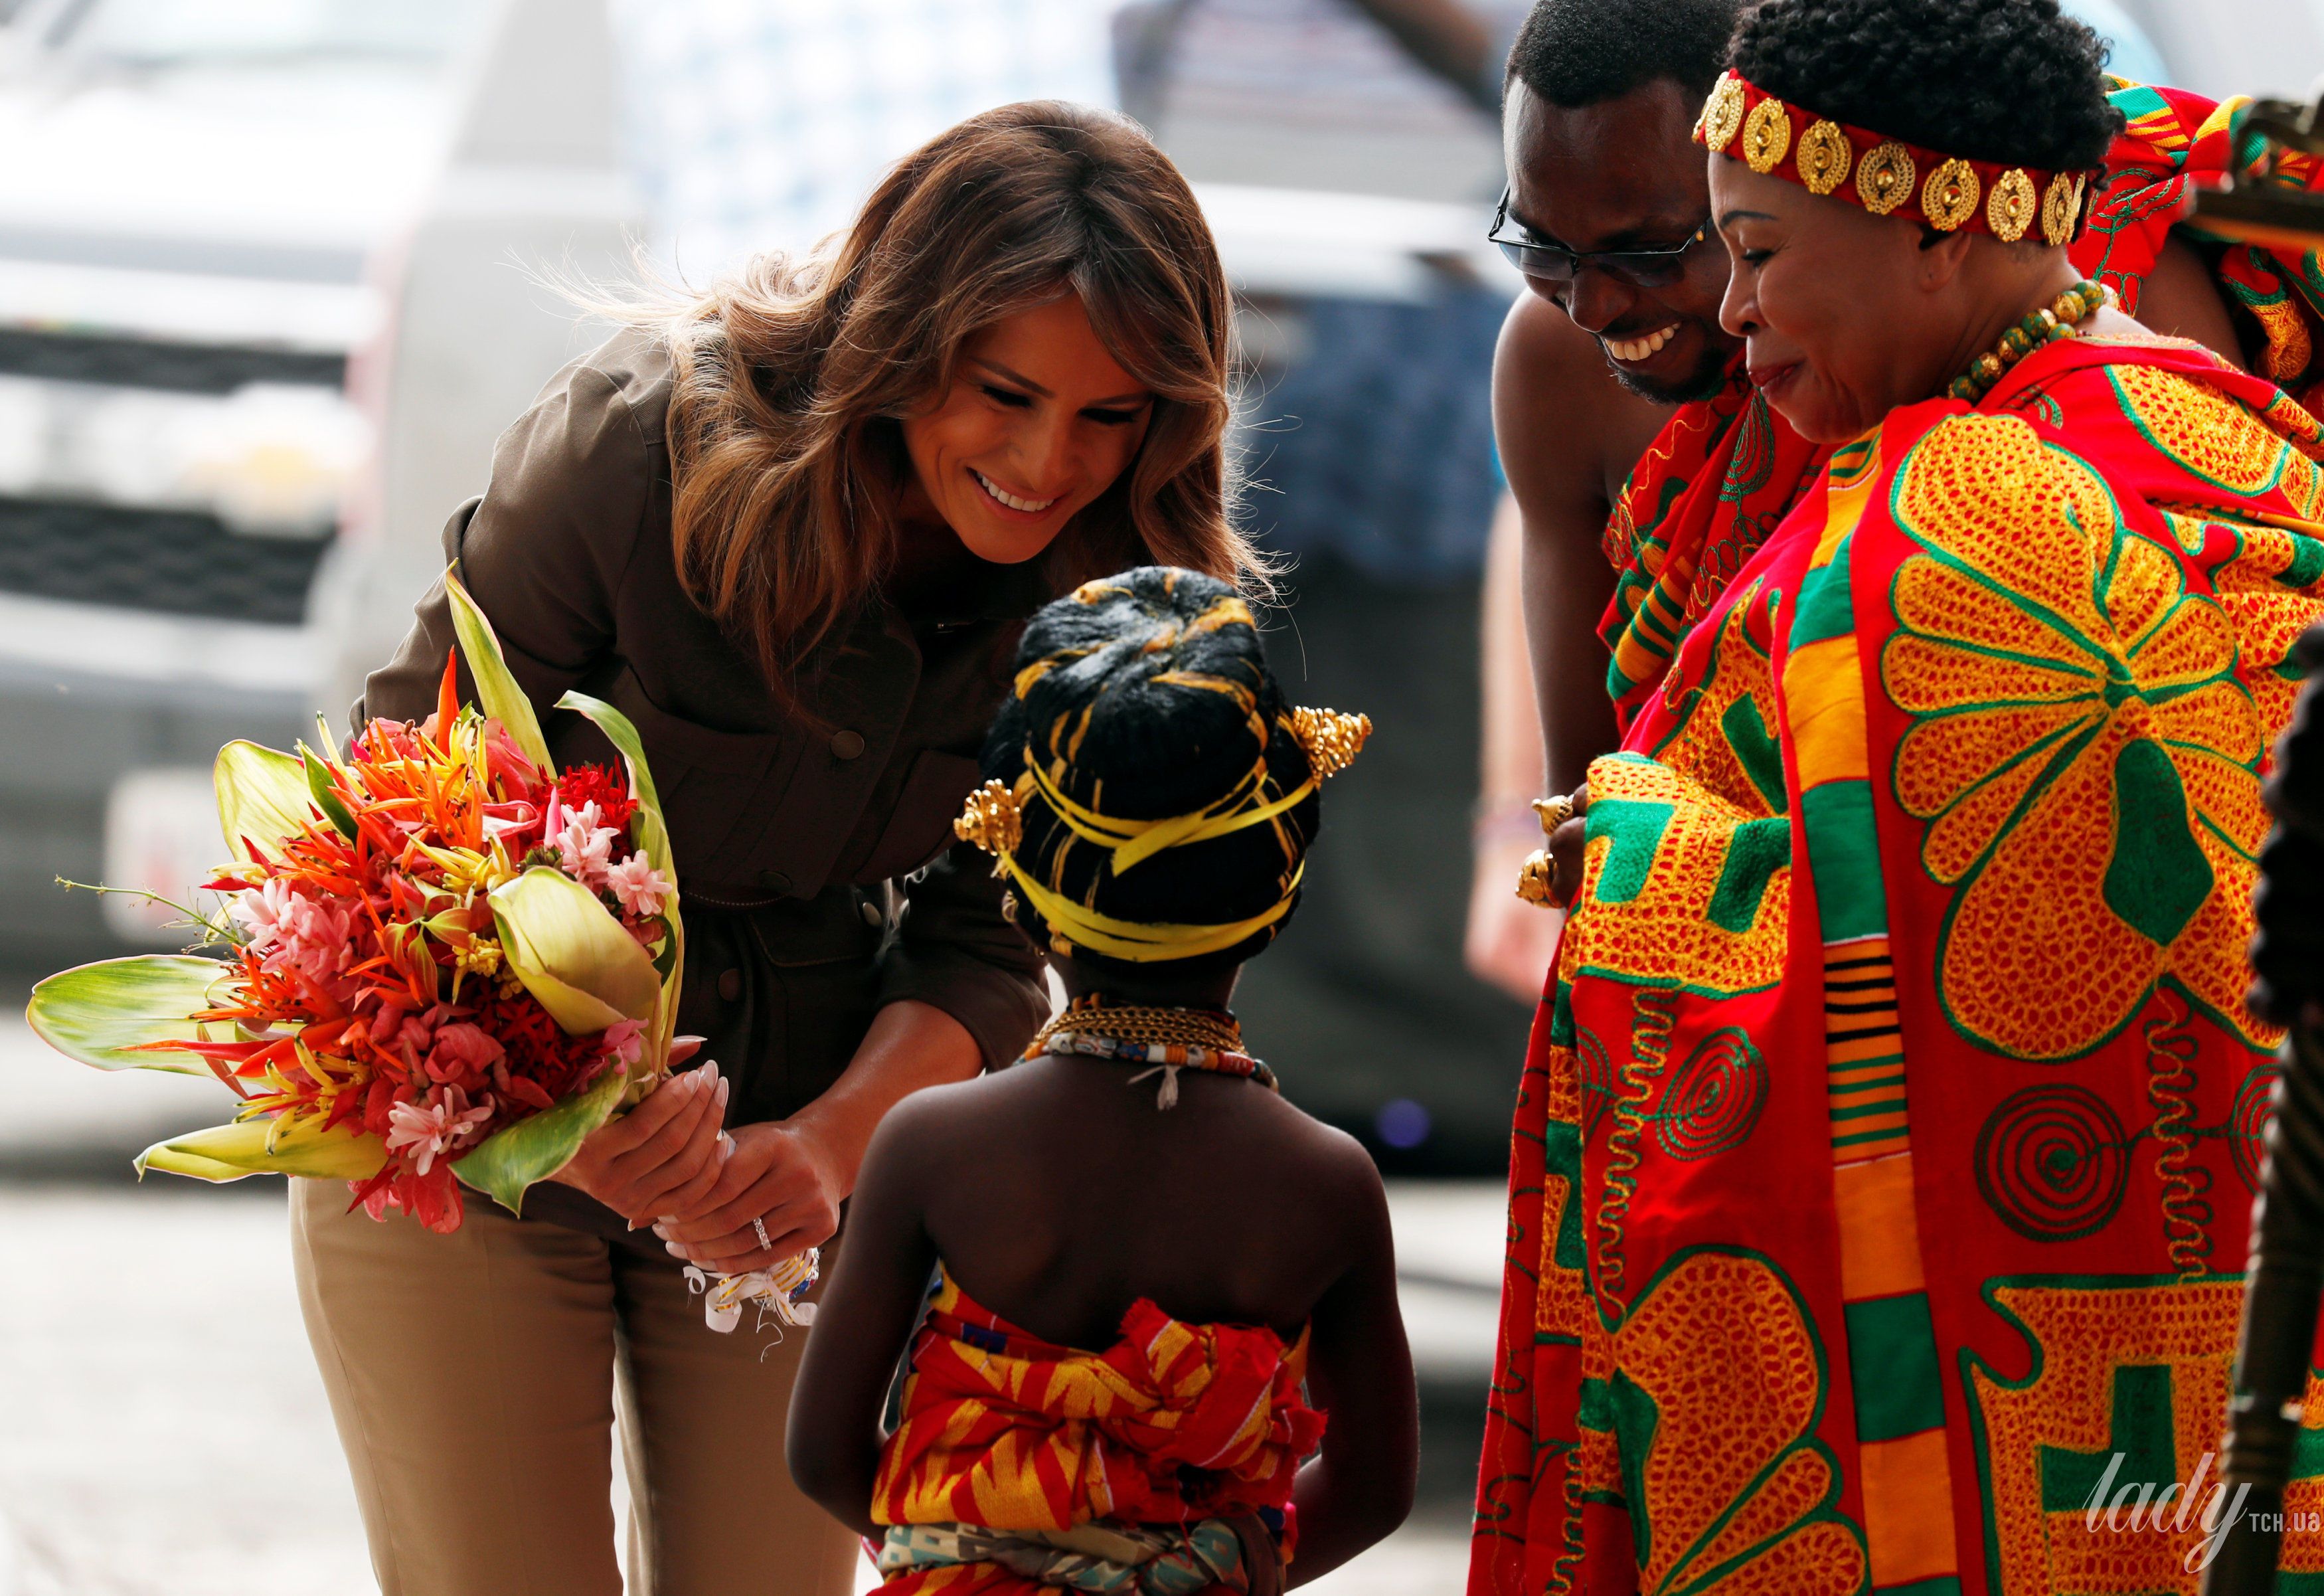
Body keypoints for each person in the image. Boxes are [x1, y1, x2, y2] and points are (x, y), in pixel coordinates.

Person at [291, 103, 1264, 1596]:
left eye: (1108, 415)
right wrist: (583, 1112)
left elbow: (998, 927)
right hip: (468, 1110)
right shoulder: (637, 439)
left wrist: (830, 1143)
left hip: (788, 1148)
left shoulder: (1121, 586)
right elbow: (405, 792)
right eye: (1000, 394)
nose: (1043, 460)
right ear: (901, 340)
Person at [1470, 1, 2324, 1590]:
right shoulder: (2222, 435)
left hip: (2040, 1317)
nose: (1728, 312)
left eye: (1756, 250)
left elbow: (2029, 965)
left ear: (1941, 230)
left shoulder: (1965, 500)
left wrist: (1661, 865)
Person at [787, 566, 1418, 1593]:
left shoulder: (931, 1146)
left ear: (1019, 889)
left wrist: (985, 1551)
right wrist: (1192, 1570)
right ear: (1278, 889)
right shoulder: (1327, 1182)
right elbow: (1376, 1488)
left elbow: (822, 1454)